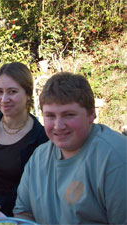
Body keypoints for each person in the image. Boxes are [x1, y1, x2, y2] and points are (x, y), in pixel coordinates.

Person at [13, 72, 127, 224]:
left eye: (69, 115)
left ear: (91, 114)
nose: (58, 126)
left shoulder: (116, 160)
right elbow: (24, 212)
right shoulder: (39, 156)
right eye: (50, 116)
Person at [0, 62, 48, 216]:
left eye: (12, 91)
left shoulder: (40, 137)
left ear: (27, 94)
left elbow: (32, 195)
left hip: (8, 214)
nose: (4, 99)